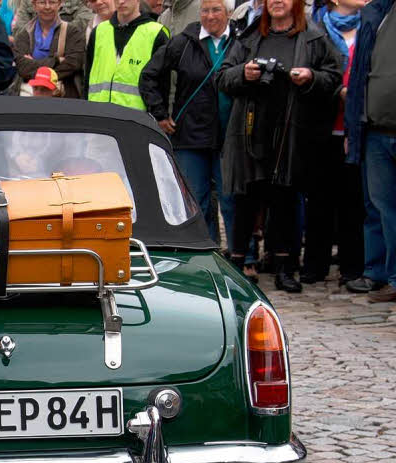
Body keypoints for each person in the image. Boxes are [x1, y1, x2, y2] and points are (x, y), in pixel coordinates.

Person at [216, 0, 342, 292]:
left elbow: (333, 77)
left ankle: (286, 268)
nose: (277, 1)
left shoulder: (313, 36)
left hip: (291, 132)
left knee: (284, 199)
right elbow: (223, 77)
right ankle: (238, 266)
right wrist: (243, 74)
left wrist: (311, 77)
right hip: (249, 131)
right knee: (245, 199)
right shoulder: (248, 36)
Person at [139, 0, 235, 245]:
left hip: (230, 137)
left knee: (231, 199)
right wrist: (160, 114)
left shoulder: (239, 42)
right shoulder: (184, 42)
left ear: (229, 13)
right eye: (205, 10)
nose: (210, 16)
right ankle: (204, 251)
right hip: (191, 135)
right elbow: (149, 75)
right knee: (195, 201)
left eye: (216, 10)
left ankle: (241, 255)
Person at [345, 0, 396, 306]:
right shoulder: (378, 13)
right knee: (386, 210)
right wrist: (353, 128)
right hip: (374, 131)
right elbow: (359, 72)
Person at [300, 0, 366, 286]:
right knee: (318, 200)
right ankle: (316, 264)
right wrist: (336, 90)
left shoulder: (371, 26)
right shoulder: (315, 29)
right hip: (322, 124)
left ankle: (353, 266)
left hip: (358, 126)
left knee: (353, 202)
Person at [84, 0, 168, 109]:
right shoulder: (99, 31)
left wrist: (160, 115)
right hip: (98, 114)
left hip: (136, 119)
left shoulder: (157, 33)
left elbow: (164, 83)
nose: (121, 1)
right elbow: (87, 77)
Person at [13, 0, 85, 97]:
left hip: (62, 95)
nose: (47, 7)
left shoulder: (72, 32)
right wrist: (57, 60)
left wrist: (35, 66)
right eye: (42, 2)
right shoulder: (24, 34)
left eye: (52, 2)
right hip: (29, 93)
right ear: (34, 5)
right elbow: (22, 67)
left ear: (59, 4)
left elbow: (74, 63)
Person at [15, 0, 93, 31]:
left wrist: (54, 32)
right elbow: (19, 30)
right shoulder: (28, 1)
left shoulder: (77, 1)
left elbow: (86, 21)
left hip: (68, 52)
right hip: (33, 52)